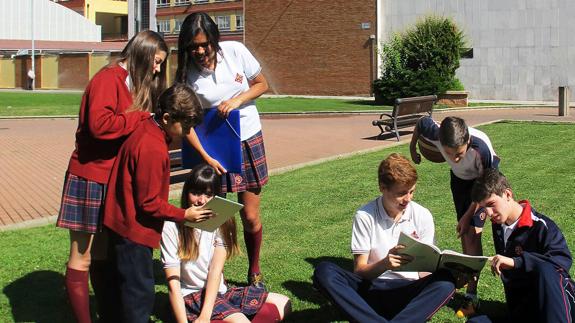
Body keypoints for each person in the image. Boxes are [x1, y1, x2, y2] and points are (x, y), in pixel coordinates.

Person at [55, 30, 168, 323]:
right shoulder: (109, 79)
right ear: (142, 54)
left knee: (103, 254)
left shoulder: (130, 83)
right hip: (89, 177)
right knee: (82, 255)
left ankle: (107, 313)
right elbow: (100, 125)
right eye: (156, 62)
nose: (157, 69)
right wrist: (141, 117)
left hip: (111, 177)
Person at [176, 12, 270, 287]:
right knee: (214, 216)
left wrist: (237, 100)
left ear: (214, 39)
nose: (200, 51)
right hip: (214, 150)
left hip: (249, 140)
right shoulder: (186, 74)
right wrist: (206, 157)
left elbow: (262, 84)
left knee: (250, 216)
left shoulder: (235, 51)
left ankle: (254, 271)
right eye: (193, 46)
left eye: (205, 44)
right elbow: (186, 124)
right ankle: (206, 276)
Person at [313, 153, 465, 323]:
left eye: (412, 191)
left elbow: (425, 271)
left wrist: (455, 275)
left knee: (445, 281)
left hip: (408, 292)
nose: (408, 199)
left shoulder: (422, 215)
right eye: (401, 193)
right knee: (324, 271)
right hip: (371, 290)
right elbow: (360, 271)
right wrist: (384, 264)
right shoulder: (365, 215)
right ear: (382, 188)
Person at [103, 84, 209, 322]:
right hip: (134, 233)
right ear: (167, 118)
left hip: (122, 226)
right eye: (186, 126)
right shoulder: (152, 147)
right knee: (138, 296)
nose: (187, 132)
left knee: (126, 292)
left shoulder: (147, 128)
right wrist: (185, 215)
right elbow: (149, 203)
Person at [161, 164, 291, 323]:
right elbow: (173, 283)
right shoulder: (172, 226)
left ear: (216, 196)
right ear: (186, 193)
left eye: (208, 195)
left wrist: (205, 315)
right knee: (240, 320)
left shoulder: (219, 218)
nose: (201, 201)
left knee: (283, 303)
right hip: (191, 294)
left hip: (218, 291)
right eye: (195, 193)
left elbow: (216, 270)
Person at [410, 116, 499, 311]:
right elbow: (420, 123)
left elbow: (486, 185)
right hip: (459, 181)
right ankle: (467, 276)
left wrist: (468, 216)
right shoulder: (435, 132)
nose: (455, 159)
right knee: (465, 235)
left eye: (459, 154)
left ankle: (472, 295)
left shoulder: (481, 149)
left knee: (473, 234)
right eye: (449, 154)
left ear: (467, 141)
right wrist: (413, 149)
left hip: (484, 182)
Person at [467, 169, 575, 322]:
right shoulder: (499, 224)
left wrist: (516, 262)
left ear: (508, 194)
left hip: (553, 309)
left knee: (546, 269)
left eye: (491, 204)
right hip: (522, 311)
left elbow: (560, 266)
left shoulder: (541, 226)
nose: (489, 213)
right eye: (484, 208)